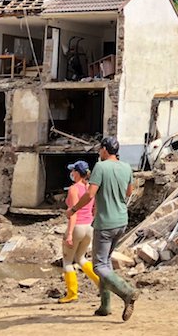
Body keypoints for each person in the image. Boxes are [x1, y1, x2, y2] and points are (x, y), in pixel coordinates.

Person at [66, 136, 138, 321]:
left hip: (105, 223)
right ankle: (105, 306)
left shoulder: (101, 167)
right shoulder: (126, 167)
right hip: (122, 221)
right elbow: (129, 192)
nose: (99, 152)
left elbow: (90, 194)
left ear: (105, 149)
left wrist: (73, 209)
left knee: (99, 266)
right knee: (105, 263)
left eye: (100, 149)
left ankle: (127, 292)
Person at [58, 160, 99, 304]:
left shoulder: (73, 189)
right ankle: (100, 283)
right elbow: (94, 209)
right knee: (81, 259)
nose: (71, 173)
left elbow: (73, 213)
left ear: (76, 173)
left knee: (68, 261)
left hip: (77, 227)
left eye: (73, 171)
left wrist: (69, 234)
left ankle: (72, 293)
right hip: (89, 227)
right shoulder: (90, 188)